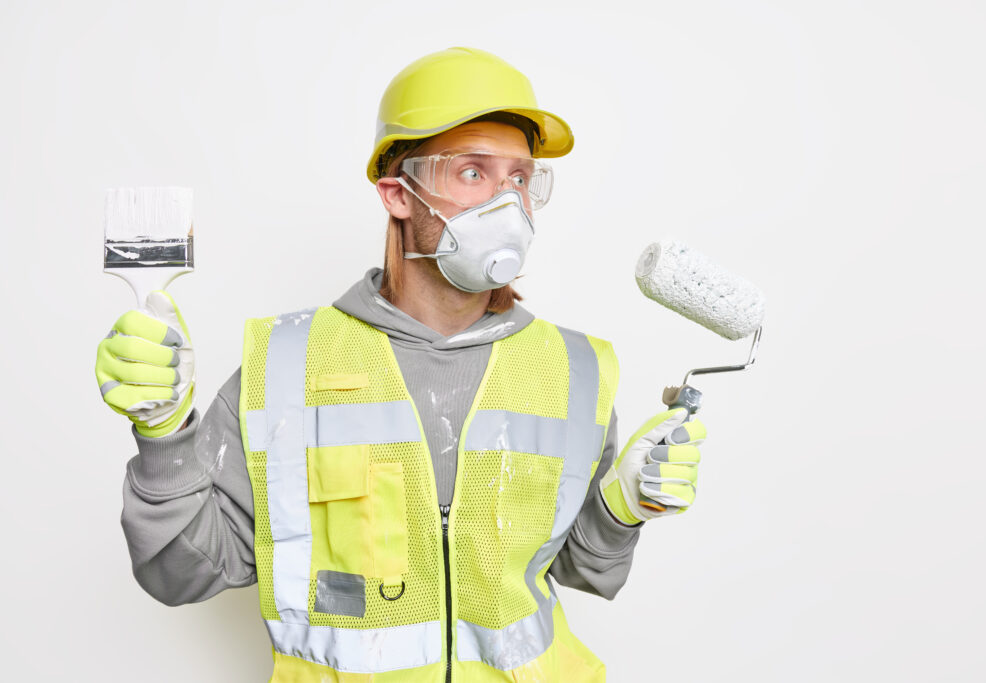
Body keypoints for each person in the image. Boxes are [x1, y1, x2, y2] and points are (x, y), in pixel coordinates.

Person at [95, 46, 707, 682]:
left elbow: (578, 568)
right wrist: (163, 435)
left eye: (521, 178)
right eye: (473, 173)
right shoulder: (285, 367)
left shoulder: (572, 370)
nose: (508, 202)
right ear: (398, 194)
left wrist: (621, 508)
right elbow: (180, 573)